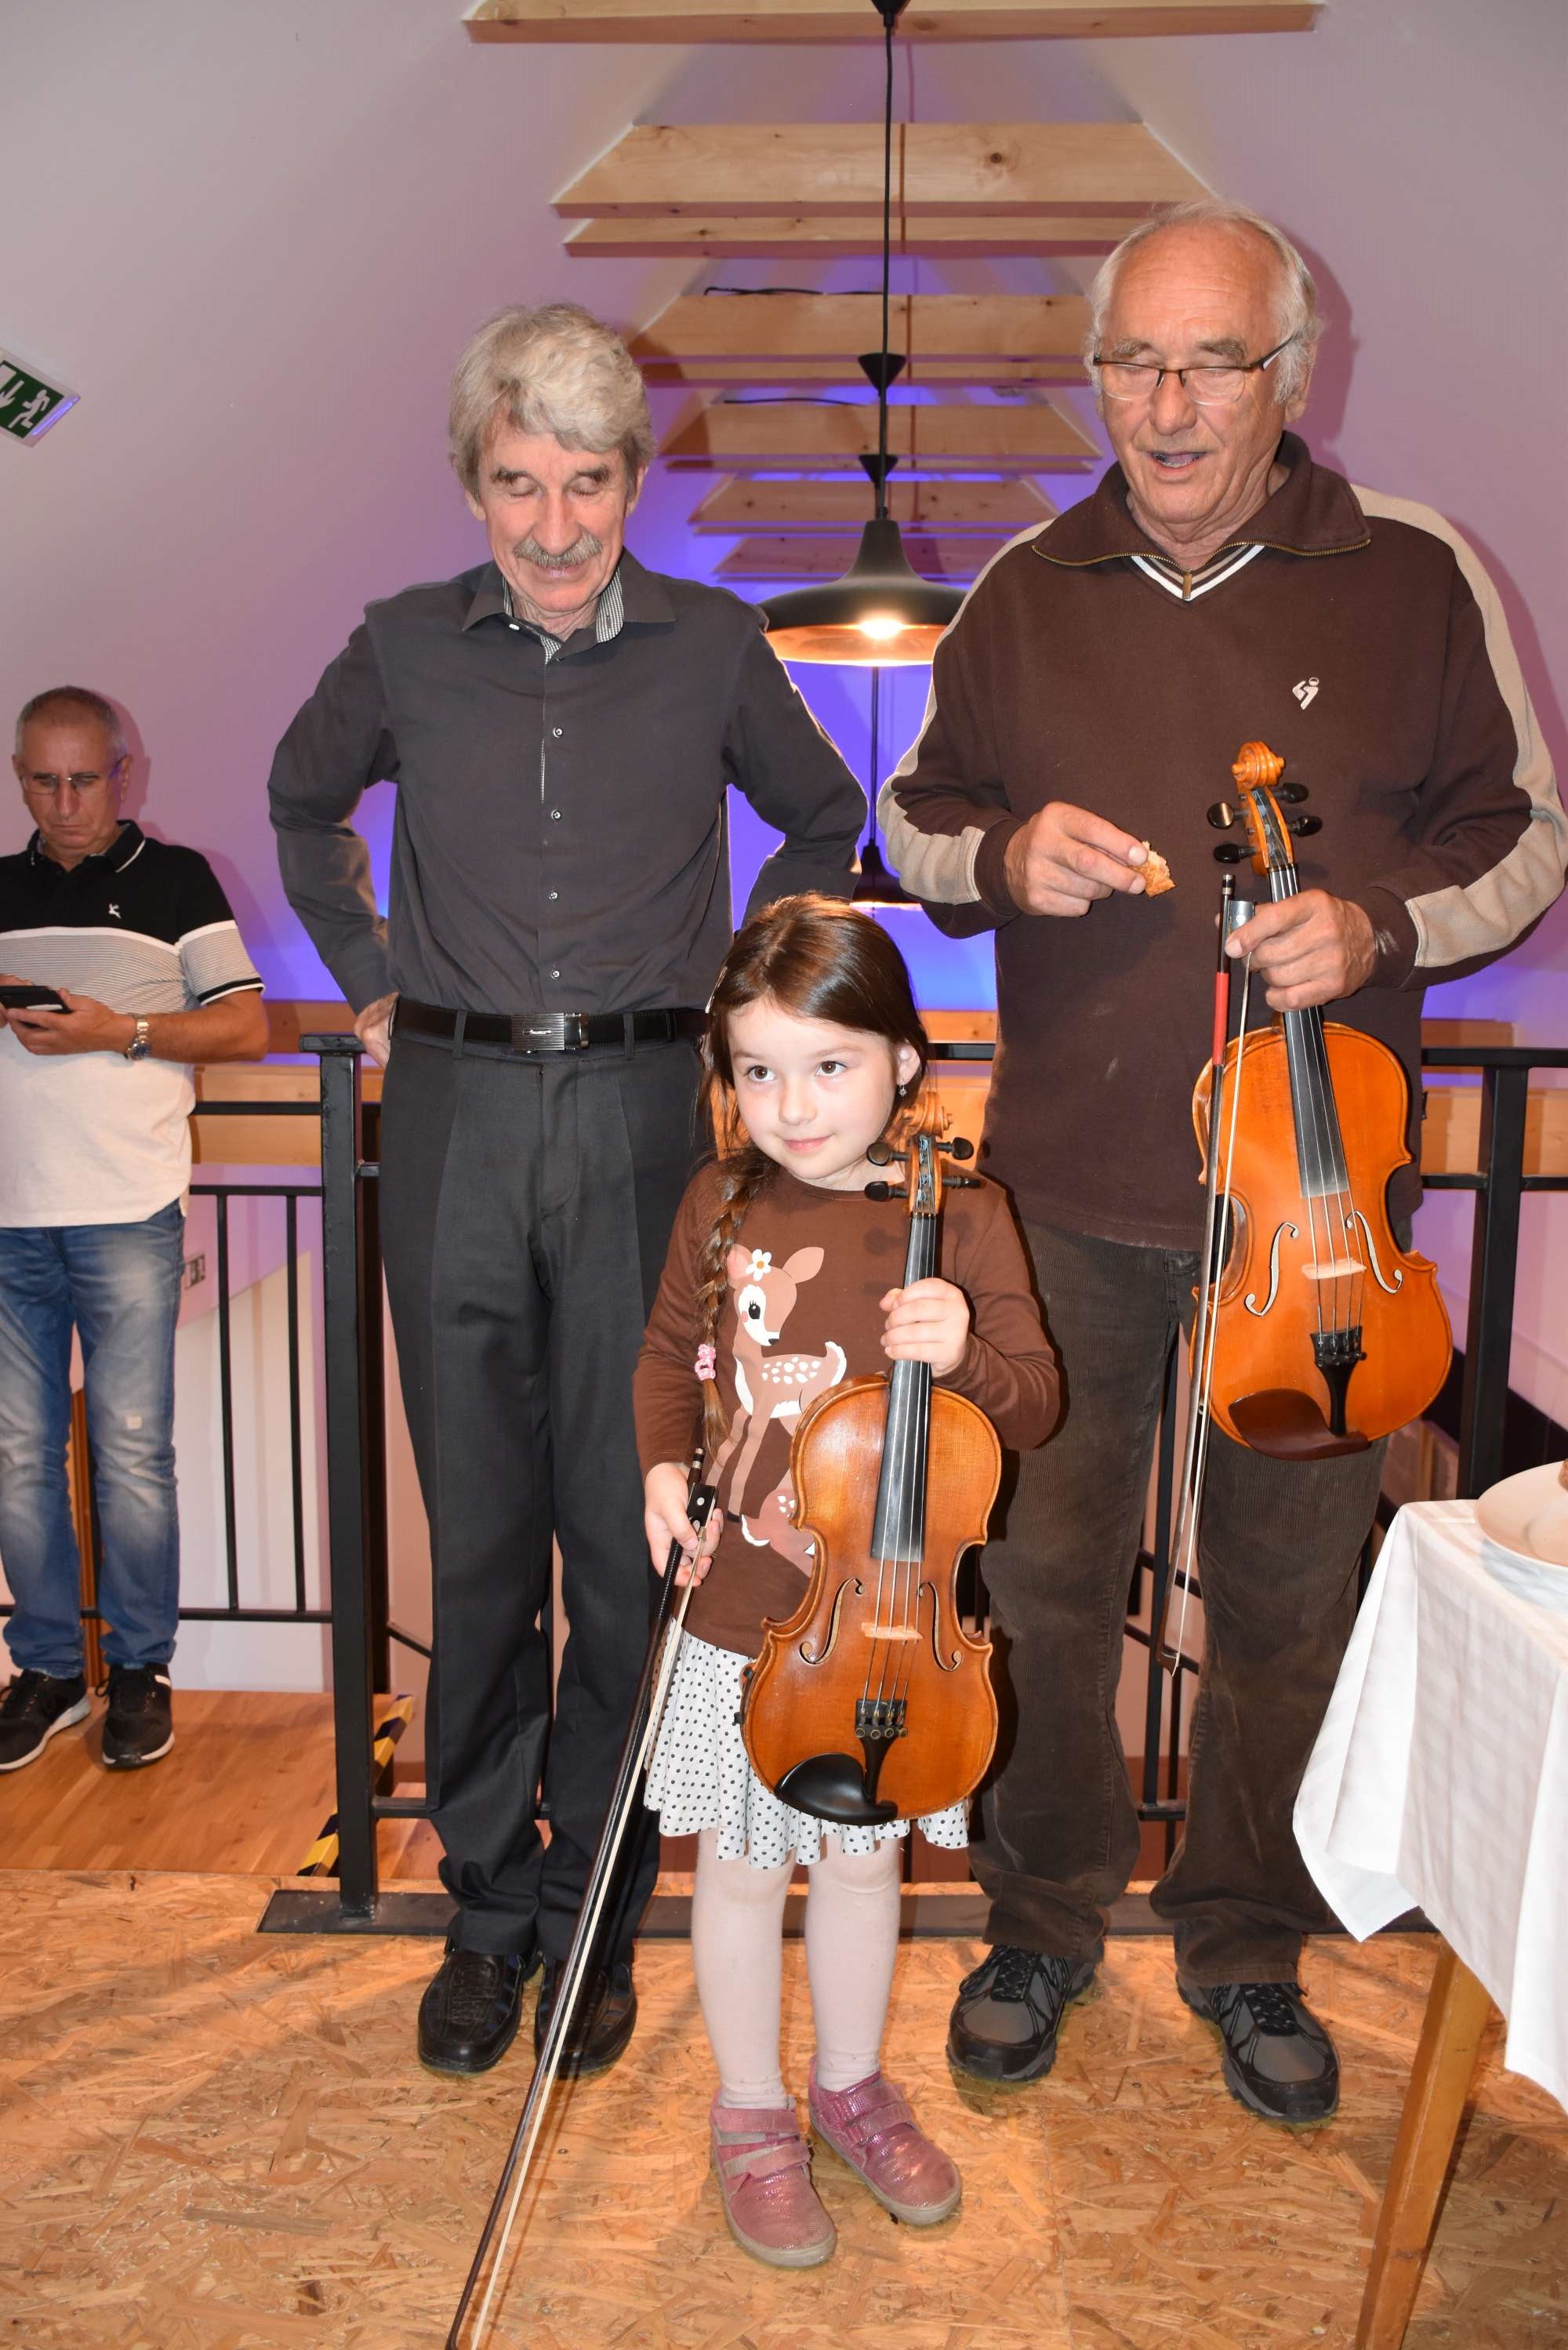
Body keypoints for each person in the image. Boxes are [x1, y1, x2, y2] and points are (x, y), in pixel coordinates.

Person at [880, 199, 1568, 2123]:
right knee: (1039, 1576)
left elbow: (1526, 838)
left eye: (1210, 362)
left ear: (1289, 373)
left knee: (1285, 1600)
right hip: (1067, 1202)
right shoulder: (1022, 586)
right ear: (1094, 373)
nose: (1168, 405)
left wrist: (1380, 925)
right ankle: (1039, 1918)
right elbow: (911, 821)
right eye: (1133, 361)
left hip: (1323, 1225)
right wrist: (998, 858)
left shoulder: (1414, 573)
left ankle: (1248, 1937)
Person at [270, 303, 865, 2079]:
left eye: (587, 483)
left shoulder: (714, 644)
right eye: (520, 483)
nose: (553, 525)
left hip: (640, 1123)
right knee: (477, 1544)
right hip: (453, 1108)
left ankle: (595, 1908)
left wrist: (748, 1000)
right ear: (475, 482)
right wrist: (369, 973)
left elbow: (822, 814)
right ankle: (485, 1910)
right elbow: (302, 804)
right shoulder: (399, 644)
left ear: (631, 483)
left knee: (626, 1540)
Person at [634, 897, 1058, 2265]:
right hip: (740, 1615)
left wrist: (965, 1352)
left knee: (866, 1868)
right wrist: (661, 1474)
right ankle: (752, 2112)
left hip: (889, 1631)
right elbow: (668, 1363)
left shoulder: (966, 1214)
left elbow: (1035, 1402)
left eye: (829, 1065)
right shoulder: (721, 1202)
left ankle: (852, 2087)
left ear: (904, 1063)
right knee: (742, 1872)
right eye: (758, 1071)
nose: (793, 1105)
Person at [0, 687, 267, 1773]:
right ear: (19, 776)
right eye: (42, 781)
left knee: (130, 1452)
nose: (65, 803)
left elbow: (244, 1026)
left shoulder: (179, 879)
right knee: (17, 1457)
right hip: (8, 1214)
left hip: (126, 1208)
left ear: (123, 774)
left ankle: (141, 1670)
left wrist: (121, 1032)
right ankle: (49, 1671)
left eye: (84, 780)